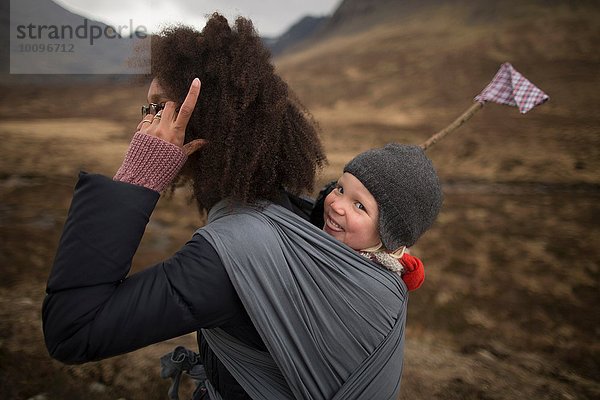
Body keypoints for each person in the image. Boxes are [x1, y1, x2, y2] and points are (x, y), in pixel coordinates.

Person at [42, 13, 436, 400]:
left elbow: (72, 331)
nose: (145, 125)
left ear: (199, 121)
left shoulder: (237, 254)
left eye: (157, 108)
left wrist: (137, 177)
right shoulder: (289, 216)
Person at [315, 144, 443, 292]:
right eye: (340, 189)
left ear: (388, 232)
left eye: (359, 206)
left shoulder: (363, 287)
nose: (337, 206)